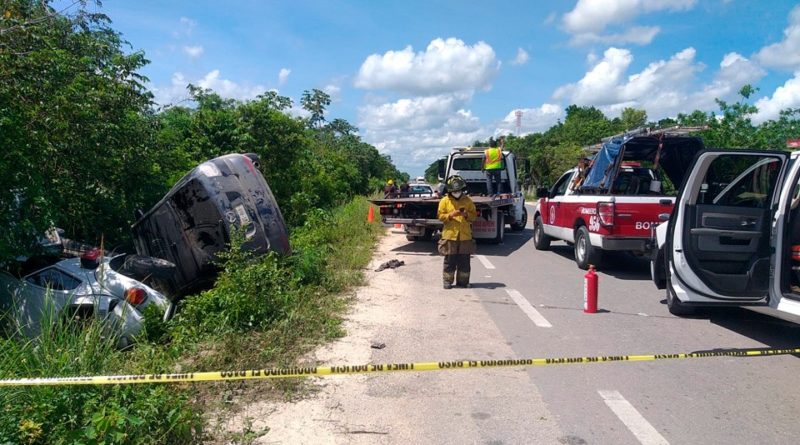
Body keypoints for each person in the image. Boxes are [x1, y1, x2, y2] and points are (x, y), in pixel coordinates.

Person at [437, 175, 477, 289]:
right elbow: (440, 216)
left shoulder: (468, 201)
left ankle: (463, 282)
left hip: (465, 236)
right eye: (454, 191)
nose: (457, 192)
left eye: (458, 190)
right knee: (449, 260)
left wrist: (466, 215)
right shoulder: (444, 201)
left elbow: (474, 216)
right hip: (450, 235)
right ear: (449, 190)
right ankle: (447, 281)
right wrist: (450, 215)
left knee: (464, 261)